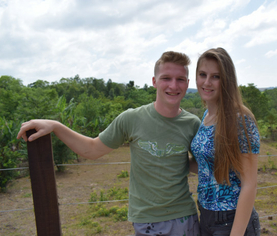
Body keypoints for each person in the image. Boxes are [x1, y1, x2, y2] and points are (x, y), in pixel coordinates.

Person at [17, 51, 201, 236]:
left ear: (187, 83)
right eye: (166, 78)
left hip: (183, 217)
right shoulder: (132, 119)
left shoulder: (192, 124)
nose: (173, 85)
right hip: (146, 219)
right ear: (154, 81)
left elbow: (201, 164)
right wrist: (56, 126)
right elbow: (92, 150)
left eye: (180, 79)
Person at [189, 48, 260, 236]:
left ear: (226, 80)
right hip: (206, 216)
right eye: (202, 75)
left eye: (216, 77)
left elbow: (249, 184)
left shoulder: (240, 119)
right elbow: (210, 167)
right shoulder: (206, 116)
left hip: (230, 220)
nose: (207, 82)